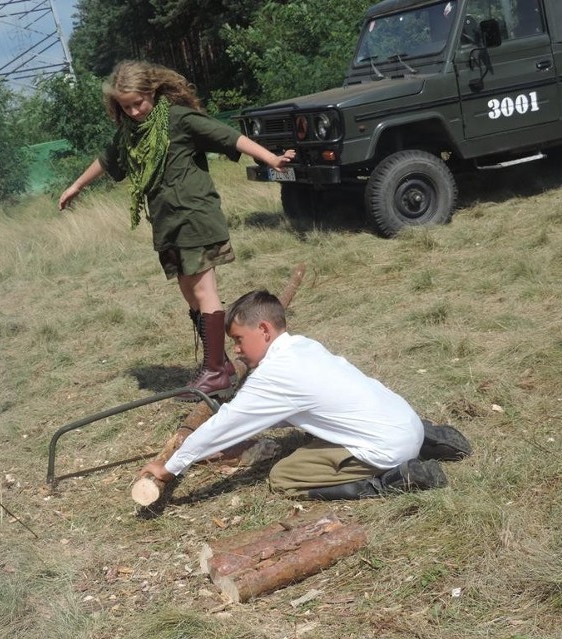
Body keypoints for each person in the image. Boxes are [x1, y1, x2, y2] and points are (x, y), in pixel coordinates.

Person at [58, 60, 296, 401]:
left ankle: (215, 372)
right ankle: (220, 366)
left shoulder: (179, 119)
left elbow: (230, 137)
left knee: (203, 290)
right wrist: (77, 186)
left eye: (138, 103)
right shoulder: (130, 131)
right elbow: (108, 159)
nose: (135, 111)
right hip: (167, 223)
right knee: (190, 293)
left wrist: (270, 159)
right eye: (125, 106)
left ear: (152, 92)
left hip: (195, 216)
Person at [141, 289, 472, 500]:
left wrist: (171, 467)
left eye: (239, 340)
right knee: (314, 432)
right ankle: (427, 438)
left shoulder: (273, 375)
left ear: (265, 330)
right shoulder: (303, 346)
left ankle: (392, 480)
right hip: (406, 420)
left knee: (284, 476)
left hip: (388, 448)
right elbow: (286, 412)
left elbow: (225, 424)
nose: (238, 351)